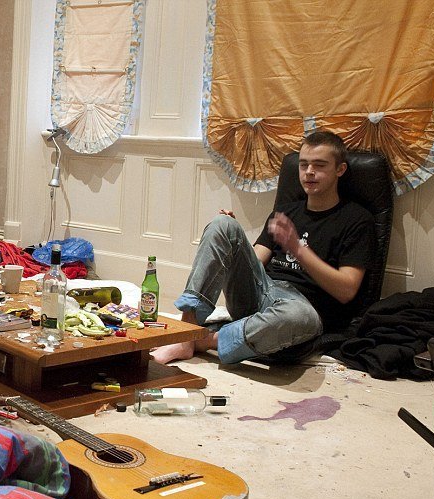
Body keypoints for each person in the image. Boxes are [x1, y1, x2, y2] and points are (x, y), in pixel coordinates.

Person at [152, 130, 375, 365]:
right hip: (263, 291)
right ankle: (187, 331)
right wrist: (234, 243)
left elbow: (346, 290)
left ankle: (203, 341)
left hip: (304, 308)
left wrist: (298, 249)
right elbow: (256, 260)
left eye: (319, 165)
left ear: (340, 169)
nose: (309, 172)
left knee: (299, 316)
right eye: (304, 165)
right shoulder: (286, 212)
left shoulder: (357, 220)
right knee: (222, 225)